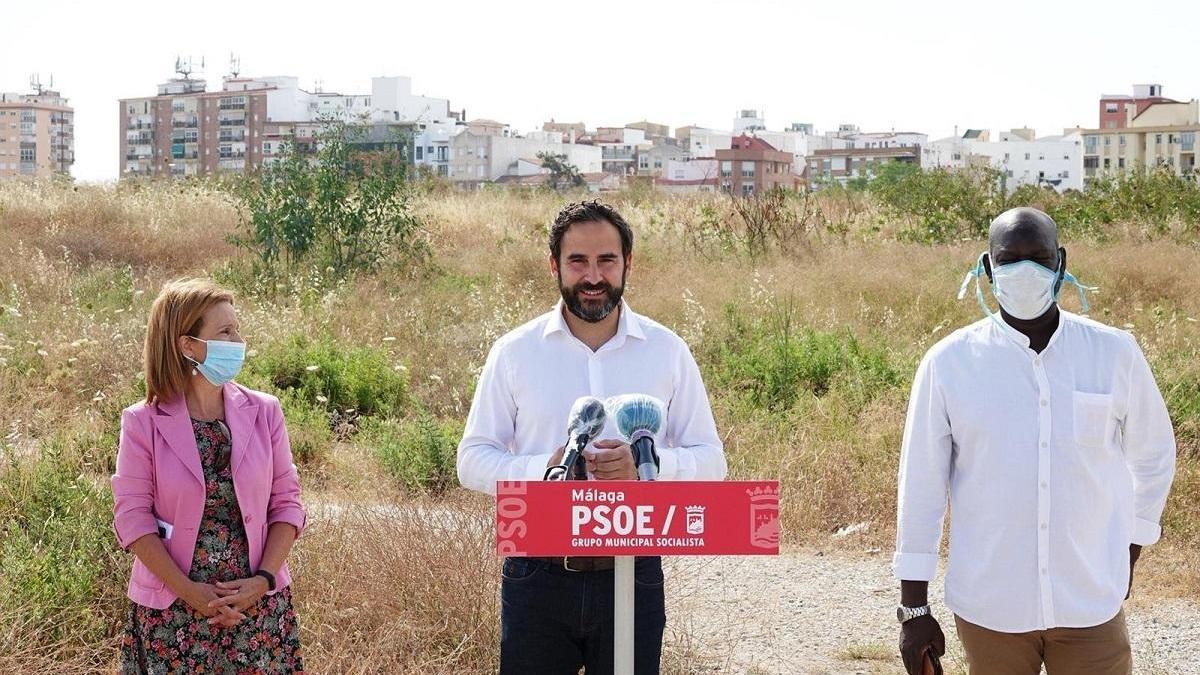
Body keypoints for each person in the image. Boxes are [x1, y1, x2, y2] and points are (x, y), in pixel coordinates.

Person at [892, 207, 1177, 675]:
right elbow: (920, 488)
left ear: (1061, 263)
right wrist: (914, 610)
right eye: (1009, 259)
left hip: (1089, 603)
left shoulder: (1113, 353)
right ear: (988, 268)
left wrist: (1128, 550)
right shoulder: (949, 363)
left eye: (1039, 257)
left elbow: (1153, 456)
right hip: (991, 607)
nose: (1025, 271)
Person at [457, 200, 727, 674]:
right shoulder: (516, 352)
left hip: (634, 568)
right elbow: (473, 461)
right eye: (577, 261)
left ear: (628, 263)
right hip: (536, 571)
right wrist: (548, 466)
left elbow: (712, 462)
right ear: (554, 265)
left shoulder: (667, 351)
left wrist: (651, 467)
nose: (593, 276)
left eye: (606, 260)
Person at [112, 278, 307, 674]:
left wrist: (262, 581)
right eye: (225, 331)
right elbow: (133, 520)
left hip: (257, 608)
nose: (238, 340)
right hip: (174, 612)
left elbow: (287, 504)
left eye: (237, 329)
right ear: (188, 345)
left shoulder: (265, 411)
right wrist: (191, 593)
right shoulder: (142, 422)